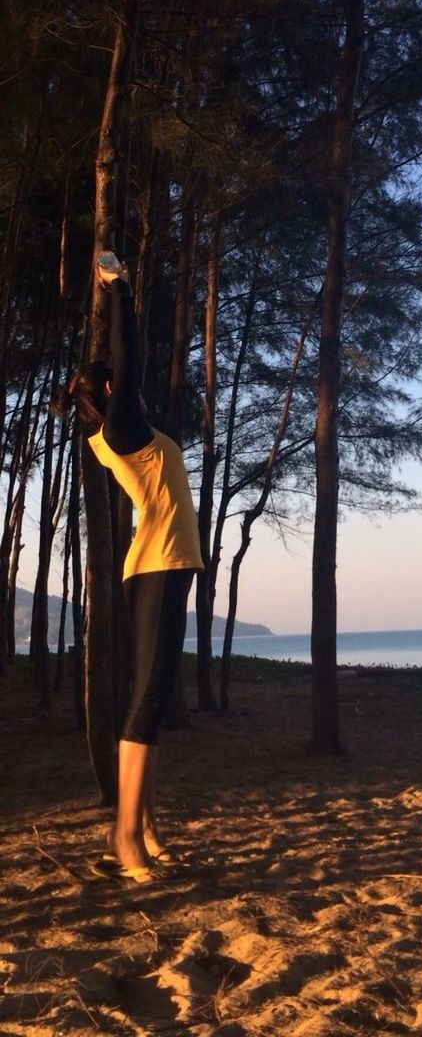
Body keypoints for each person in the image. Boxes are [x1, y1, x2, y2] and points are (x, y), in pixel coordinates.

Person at [58, 252, 203, 883]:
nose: (132, 384)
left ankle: (144, 823)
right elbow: (128, 352)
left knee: (154, 694)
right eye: (122, 381)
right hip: (159, 565)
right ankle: (124, 834)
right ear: (112, 392)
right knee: (148, 698)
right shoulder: (122, 430)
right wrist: (120, 291)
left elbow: (124, 366)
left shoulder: (125, 433)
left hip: (164, 565)